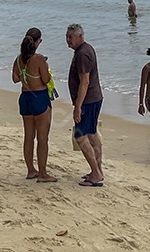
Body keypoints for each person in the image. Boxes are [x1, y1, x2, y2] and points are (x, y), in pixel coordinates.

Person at [11, 27, 56, 182]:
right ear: (37, 42)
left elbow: (15, 79)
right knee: (42, 138)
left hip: (25, 98)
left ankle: (31, 170)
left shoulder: (18, 59)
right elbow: (46, 79)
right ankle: (43, 174)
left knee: (28, 136)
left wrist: (26, 75)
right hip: (39, 97)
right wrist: (46, 68)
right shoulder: (39, 59)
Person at [66, 23, 104, 186]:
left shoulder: (83, 53)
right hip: (93, 98)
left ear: (80, 36)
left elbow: (85, 82)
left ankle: (96, 174)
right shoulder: (85, 49)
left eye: (71, 37)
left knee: (80, 136)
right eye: (67, 37)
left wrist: (78, 106)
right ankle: (98, 170)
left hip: (88, 100)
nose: (68, 40)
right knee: (91, 134)